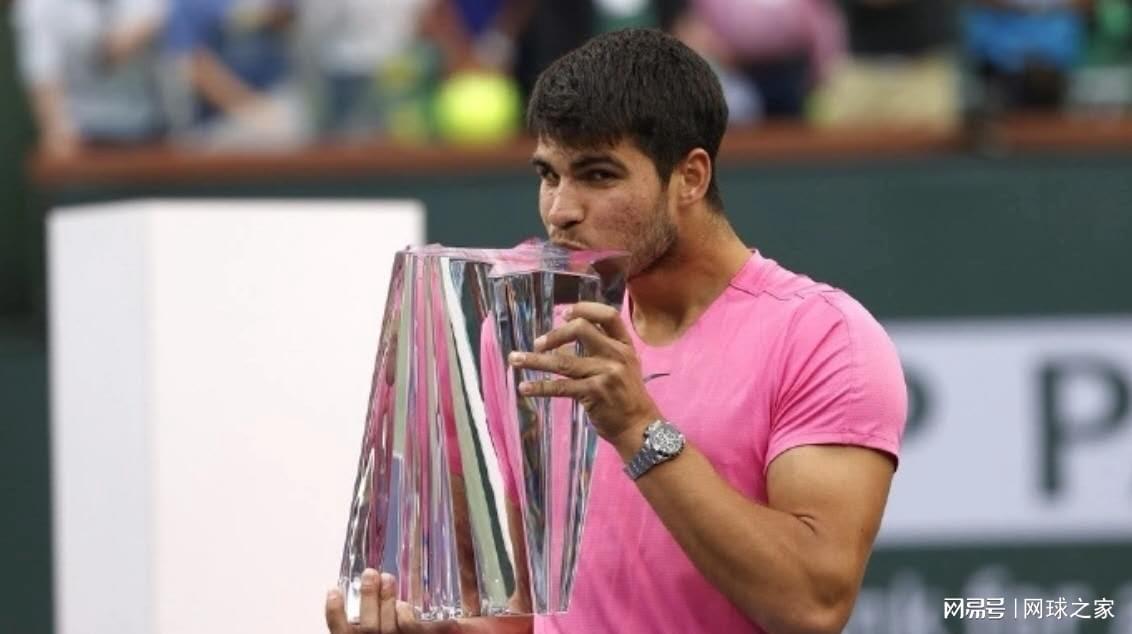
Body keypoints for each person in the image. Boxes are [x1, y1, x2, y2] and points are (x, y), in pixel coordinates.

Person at [325, 28, 907, 634]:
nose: (560, 210)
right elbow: (530, 616)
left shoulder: (825, 340)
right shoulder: (532, 334)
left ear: (690, 177)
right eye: (549, 175)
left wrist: (636, 428)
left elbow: (812, 605)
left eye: (598, 175)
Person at [12, 0, 168, 158]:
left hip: (154, 128)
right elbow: (42, 73)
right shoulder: (38, 6)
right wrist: (57, 131)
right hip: (81, 134)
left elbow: (115, 49)